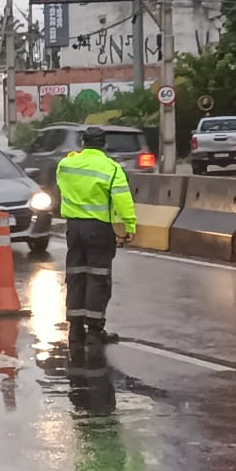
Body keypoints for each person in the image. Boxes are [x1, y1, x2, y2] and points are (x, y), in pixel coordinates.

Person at [56, 126, 137, 345]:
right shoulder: (111, 168)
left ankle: (74, 328)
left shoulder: (66, 164)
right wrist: (129, 226)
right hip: (99, 229)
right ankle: (94, 330)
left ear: (82, 143)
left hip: (74, 228)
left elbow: (61, 186)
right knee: (97, 278)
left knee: (75, 275)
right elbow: (123, 200)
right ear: (104, 145)